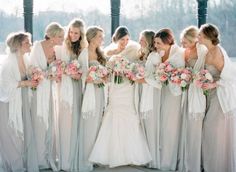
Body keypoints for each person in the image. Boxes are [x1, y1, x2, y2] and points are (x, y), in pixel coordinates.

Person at [89, 26, 152, 168]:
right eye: (122, 39)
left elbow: (139, 64)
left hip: (128, 87)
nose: (125, 42)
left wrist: (130, 71)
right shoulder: (108, 52)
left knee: (129, 114)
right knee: (113, 112)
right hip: (115, 87)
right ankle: (110, 153)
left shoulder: (134, 50)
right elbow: (104, 69)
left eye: (127, 39)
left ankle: (131, 153)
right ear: (116, 39)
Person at [198, 23, 236, 172]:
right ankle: (210, 164)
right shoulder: (207, 51)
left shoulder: (217, 54)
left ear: (207, 36)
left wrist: (213, 85)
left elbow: (231, 78)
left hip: (220, 98)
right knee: (210, 131)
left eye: (200, 34)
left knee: (211, 129)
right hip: (210, 96)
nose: (198, 37)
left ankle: (216, 167)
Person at [0, 32, 39, 172]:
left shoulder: (26, 59)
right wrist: (26, 83)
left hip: (23, 100)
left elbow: (29, 73)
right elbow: (6, 85)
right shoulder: (7, 63)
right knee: (12, 134)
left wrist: (35, 76)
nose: (30, 44)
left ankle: (23, 163)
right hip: (10, 104)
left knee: (23, 132)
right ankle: (14, 166)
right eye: (27, 43)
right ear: (18, 46)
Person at [29, 22, 64, 171]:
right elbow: (32, 68)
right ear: (52, 36)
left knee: (50, 120)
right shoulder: (38, 46)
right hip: (38, 89)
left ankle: (49, 156)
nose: (62, 39)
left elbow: (56, 67)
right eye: (60, 36)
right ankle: (38, 158)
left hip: (50, 88)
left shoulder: (57, 49)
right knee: (39, 121)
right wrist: (45, 73)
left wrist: (54, 72)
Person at [54, 18, 87, 171]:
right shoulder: (61, 46)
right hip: (64, 87)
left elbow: (84, 69)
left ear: (81, 35)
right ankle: (63, 157)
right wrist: (66, 71)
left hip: (76, 86)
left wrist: (78, 74)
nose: (73, 35)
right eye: (71, 32)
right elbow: (55, 65)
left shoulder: (83, 48)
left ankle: (73, 156)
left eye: (76, 33)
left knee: (74, 118)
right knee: (64, 118)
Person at [178, 26, 207, 172]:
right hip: (187, 89)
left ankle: (197, 163)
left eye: (185, 43)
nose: (182, 45)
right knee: (186, 124)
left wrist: (195, 77)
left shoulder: (202, 51)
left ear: (194, 41)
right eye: (181, 42)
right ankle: (186, 160)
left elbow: (206, 70)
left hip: (199, 91)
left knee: (197, 126)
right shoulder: (185, 52)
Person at [154, 28, 185, 171]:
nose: (156, 46)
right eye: (155, 43)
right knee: (161, 124)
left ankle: (169, 161)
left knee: (170, 125)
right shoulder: (159, 54)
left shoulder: (178, 54)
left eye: (159, 43)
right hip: (162, 92)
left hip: (174, 95)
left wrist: (166, 73)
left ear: (167, 42)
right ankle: (160, 157)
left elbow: (180, 74)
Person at [79, 26, 106, 172]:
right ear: (91, 37)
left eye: (102, 36)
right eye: (99, 36)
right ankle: (86, 157)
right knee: (90, 123)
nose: (102, 39)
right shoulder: (84, 53)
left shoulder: (100, 53)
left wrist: (104, 77)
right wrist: (95, 79)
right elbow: (82, 75)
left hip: (101, 91)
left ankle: (95, 156)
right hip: (90, 92)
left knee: (98, 123)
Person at [136, 30, 163, 169]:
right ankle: (145, 157)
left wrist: (143, 80)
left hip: (152, 94)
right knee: (144, 125)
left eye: (142, 39)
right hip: (143, 92)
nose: (139, 41)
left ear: (148, 41)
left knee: (152, 125)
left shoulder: (155, 56)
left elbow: (159, 80)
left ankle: (153, 160)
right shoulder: (144, 55)